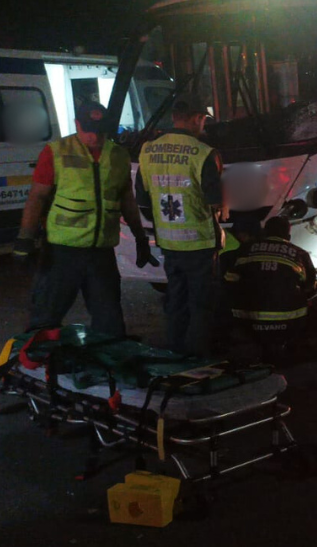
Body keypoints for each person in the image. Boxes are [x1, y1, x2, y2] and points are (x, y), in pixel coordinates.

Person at [14, 102, 153, 336]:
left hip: (101, 253)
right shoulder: (56, 152)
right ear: (77, 124)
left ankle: (108, 355)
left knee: (109, 320)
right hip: (61, 253)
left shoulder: (118, 155)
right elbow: (37, 197)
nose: (94, 137)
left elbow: (126, 199)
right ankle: (36, 356)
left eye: (100, 131)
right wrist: (25, 238)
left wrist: (140, 238)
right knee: (45, 318)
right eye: (88, 130)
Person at [137, 93, 224, 357]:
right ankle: (198, 358)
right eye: (203, 120)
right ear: (197, 118)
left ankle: (175, 352)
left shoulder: (148, 150)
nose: (203, 125)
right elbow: (215, 202)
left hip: (168, 241)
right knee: (201, 303)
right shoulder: (204, 153)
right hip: (199, 242)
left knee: (176, 298)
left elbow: (143, 200)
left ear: (174, 117)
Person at [224, 216, 317, 348]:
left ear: (264, 232)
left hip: (247, 322)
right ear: (288, 236)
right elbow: (310, 288)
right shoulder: (300, 254)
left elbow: (229, 283)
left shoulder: (245, 250)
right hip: (288, 321)